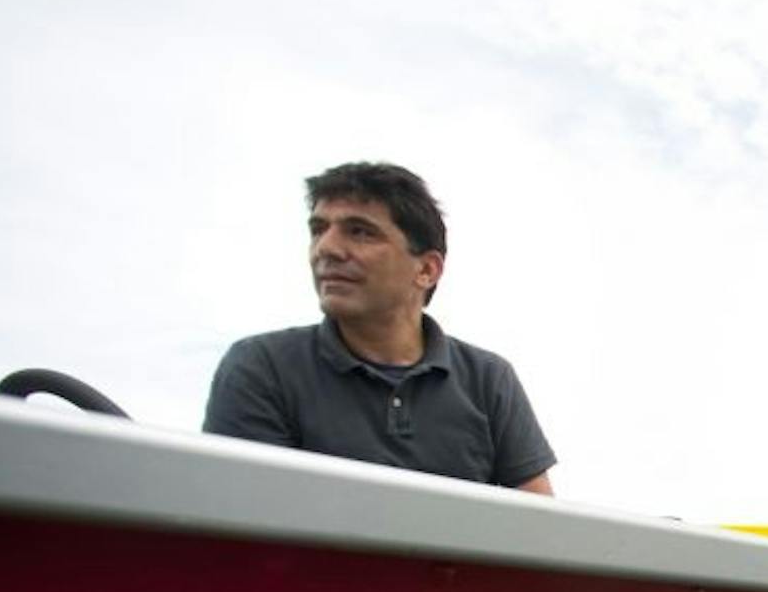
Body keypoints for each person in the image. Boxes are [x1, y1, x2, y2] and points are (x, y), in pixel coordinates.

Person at [205, 162, 556, 493]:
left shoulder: (489, 379)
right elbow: (246, 527)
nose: (326, 249)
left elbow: (540, 531)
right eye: (318, 230)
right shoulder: (261, 367)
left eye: (360, 232)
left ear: (427, 270)